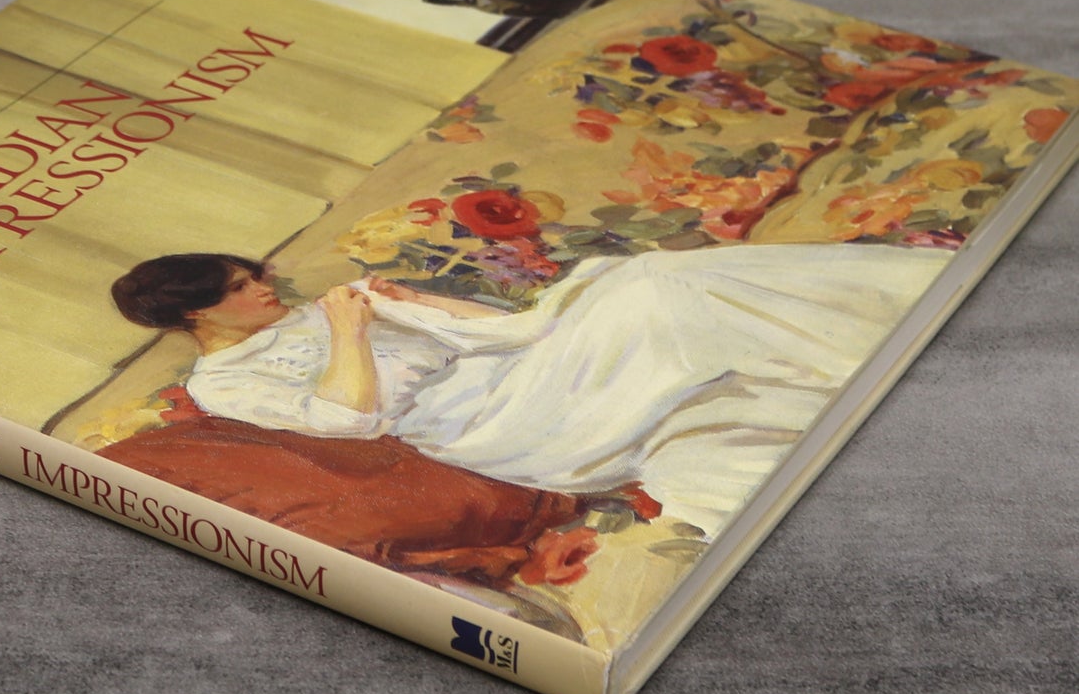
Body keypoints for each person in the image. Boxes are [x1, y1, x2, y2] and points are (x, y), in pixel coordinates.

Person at [111, 242, 950, 535]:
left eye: (254, 273)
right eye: (240, 286)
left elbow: (511, 332)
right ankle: (888, 334)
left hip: (522, 367)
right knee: (658, 293)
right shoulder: (226, 383)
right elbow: (348, 419)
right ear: (194, 315)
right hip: (499, 423)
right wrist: (349, 331)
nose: (264, 286)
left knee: (653, 284)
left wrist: (421, 303)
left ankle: (900, 320)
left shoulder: (319, 307)